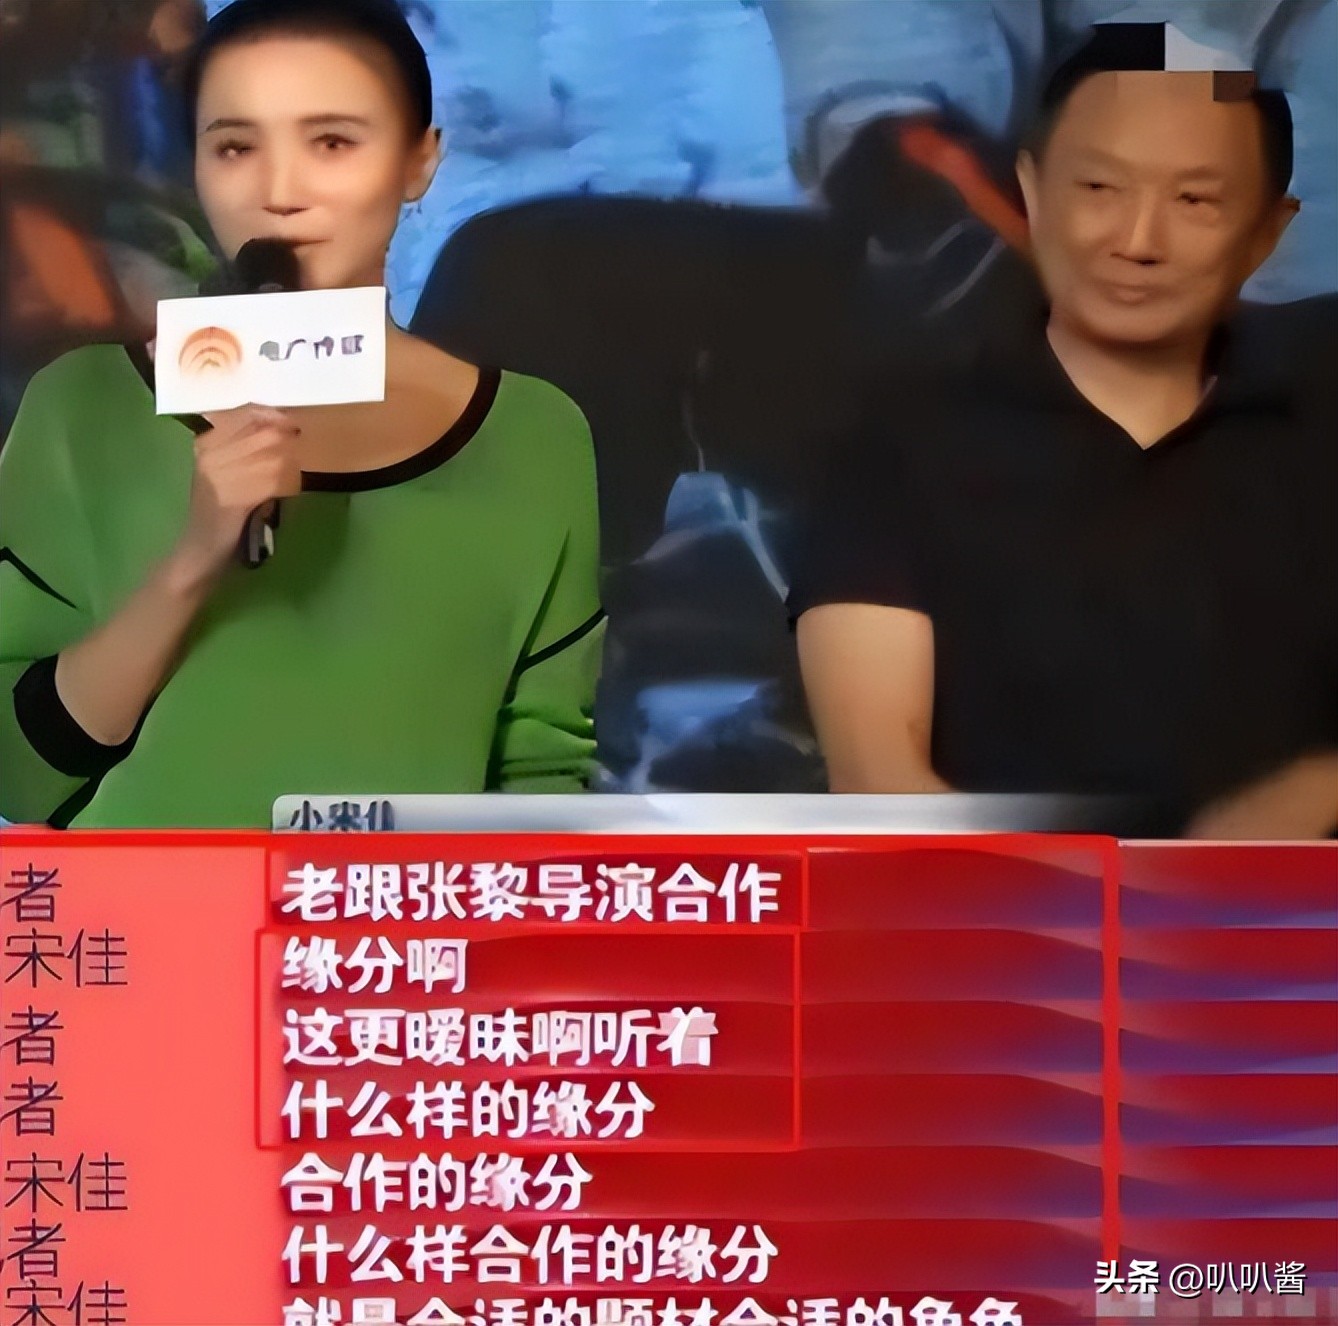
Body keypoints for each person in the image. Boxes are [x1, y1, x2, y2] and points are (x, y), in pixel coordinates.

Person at [0, 0, 604, 828]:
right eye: (235, 147)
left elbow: (542, 778)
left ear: (420, 160)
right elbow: (20, 776)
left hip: (392, 915)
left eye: (332, 143)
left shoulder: (533, 434)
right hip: (143, 912)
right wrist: (192, 560)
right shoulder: (83, 408)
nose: (279, 193)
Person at [792, 23, 1337, 837]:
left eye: (1194, 201)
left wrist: (1302, 806)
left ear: (1267, 232)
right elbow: (879, 781)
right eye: (1099, 189)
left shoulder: (1317, 427)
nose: (1138, 242)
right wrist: (1127, 898)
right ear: (1034, 193)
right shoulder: (899, 448)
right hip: (1004, 910)